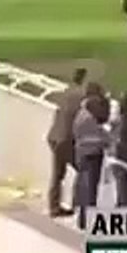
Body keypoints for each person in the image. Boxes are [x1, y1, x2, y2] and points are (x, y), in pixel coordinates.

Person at [46, 68, 88, 217]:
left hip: (54, 137)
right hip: (65, 139)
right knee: (83, 170)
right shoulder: (81, 97)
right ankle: (79, 206)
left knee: (57, 174)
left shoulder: (66, 91)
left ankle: (54, 207)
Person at [72, 90, 112, 230]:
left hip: (83, 155)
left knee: (84, 188)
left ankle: (83, 219)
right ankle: (87, 220)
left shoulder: (81, 115)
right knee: (89, 190)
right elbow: (104, 139)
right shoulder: (89, 121)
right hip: (91, 157)